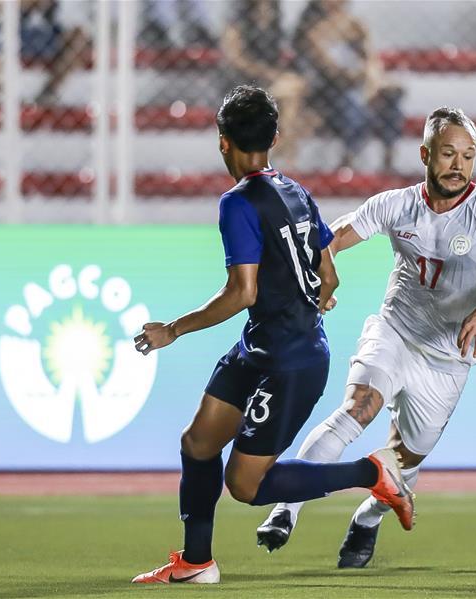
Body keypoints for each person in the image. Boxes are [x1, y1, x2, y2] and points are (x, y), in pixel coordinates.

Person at [130, 85, 414, 585]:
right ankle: (197, 563)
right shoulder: (296, 190)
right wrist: (314, 296)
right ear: (275, 137)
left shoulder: (238, 203)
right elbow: (329, 276)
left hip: (290, 361)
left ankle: (372, 473)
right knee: (198, 443)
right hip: (264, 345)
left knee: (244, 485)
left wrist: (173, 329)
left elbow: (242, 291)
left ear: (223, 142)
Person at [255, 106, 476, 568]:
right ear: (425, 154)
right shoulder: (395, 205)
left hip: (449, 358)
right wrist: (317, 278)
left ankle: (367, 518)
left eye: (468, 156)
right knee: (357, 407)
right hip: (395, 331)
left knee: (403, 460)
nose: (458, 165)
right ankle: (285, 510)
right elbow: (334, 238)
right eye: (448, 153)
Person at [293, 0, 403, 171]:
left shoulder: (355, 24)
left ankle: (388, 160)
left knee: (390, 98)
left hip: (360, 83)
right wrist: (357, 75)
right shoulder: (313, 28)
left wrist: (373, 79)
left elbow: (371, 58)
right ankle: (349, 158)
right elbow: (329, 68)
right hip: (329, 88)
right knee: (352, 101)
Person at [220, 0, 306, 163]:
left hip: (267, 80)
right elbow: (235, 58)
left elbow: (279, 54)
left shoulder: (274, 14)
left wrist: (276, 72)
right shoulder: (238, 15)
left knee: (294, 92)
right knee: (293, 92)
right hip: (240, 82)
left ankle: (284, 149)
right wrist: (267, 72)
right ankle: (286, 155)